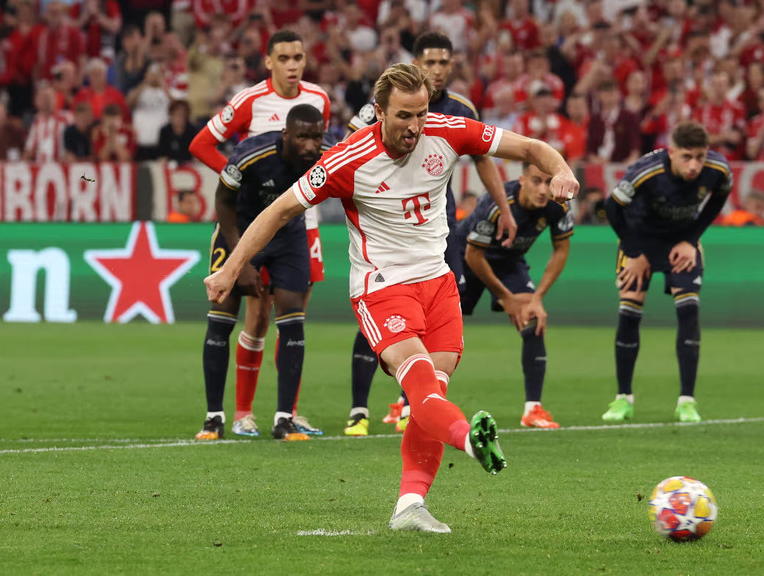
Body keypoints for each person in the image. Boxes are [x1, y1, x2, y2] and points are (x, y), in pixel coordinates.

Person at [204, 63, 579, 532]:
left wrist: (561, 169)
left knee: (431, 396)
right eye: (404, 116)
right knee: (421, 387)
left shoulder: (449, 131)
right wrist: (231, 267)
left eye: (421, 114)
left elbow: (530, 148)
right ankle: (469, 440)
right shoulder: (347, 160)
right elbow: (278, 211)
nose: (415, 126)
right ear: (379, 112)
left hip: (439, 284)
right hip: (382, 288)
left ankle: (409, 506)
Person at [343, 31, 516, 437]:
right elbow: (351, 152)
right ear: (416, 63)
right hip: (387, 233)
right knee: (381, 319)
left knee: (437, 317)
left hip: (438, 230)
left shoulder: (460, 109)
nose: (437, 69)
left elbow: (484, 158)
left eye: (443, 62)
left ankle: (413, 403)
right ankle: (359, 408)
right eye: (430, 62)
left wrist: (504, 208)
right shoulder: (380, 109)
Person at [189, 29, 331, 438]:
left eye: (298, 57)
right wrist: (239, 178)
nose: (292, 65)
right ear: (269, 62)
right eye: (283, 58)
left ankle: (289, 413)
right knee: (255, 317)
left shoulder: (318, 98)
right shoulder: (250, 100)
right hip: (250, 220)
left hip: (300, 220)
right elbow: (201, 144)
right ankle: (242, 412)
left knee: (293, 312)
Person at [603, 121, 733, 424]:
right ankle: (623, 398)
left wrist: (691, 240)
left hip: (681, 243)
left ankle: (687, 402)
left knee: (689, 311)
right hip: (639, 241)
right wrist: (634, 253)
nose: (694, 165)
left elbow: (718, 199)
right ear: (672, 152)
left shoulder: (718, 170)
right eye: (687, 157)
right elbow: (611, 207)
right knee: (629, 310)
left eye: (699, 157)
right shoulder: (645, 171)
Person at [457, 163, 574, 429]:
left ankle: (533, 410)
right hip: (467, 258)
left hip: (509, 261)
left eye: (548, 182)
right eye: (536, 181)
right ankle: (407, 406)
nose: (543, 190)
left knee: (533, 320)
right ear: (522, 180)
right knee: (439, 328)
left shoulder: (558, 204)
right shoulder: (496, 204)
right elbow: (474, 255)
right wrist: (505, 296)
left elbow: (561, 250)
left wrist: (537, 297)